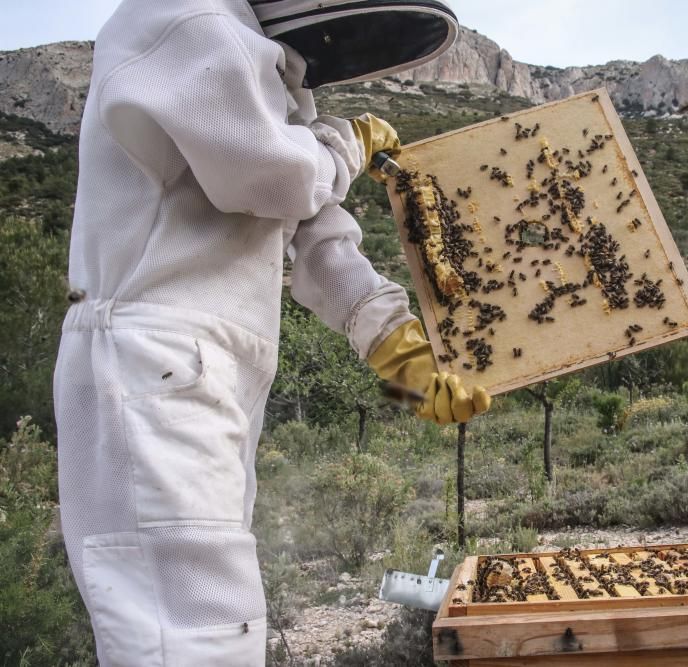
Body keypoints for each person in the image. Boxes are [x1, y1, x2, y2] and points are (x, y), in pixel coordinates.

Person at [53, 1, 487, 663]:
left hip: (194, 374)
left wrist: (399, 345)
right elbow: (275, 176)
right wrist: (349, 142)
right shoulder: (185, 16)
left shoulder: (266, 82)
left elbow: (317, 231)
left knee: (219, 629)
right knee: (194, 639)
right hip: (151, 365)